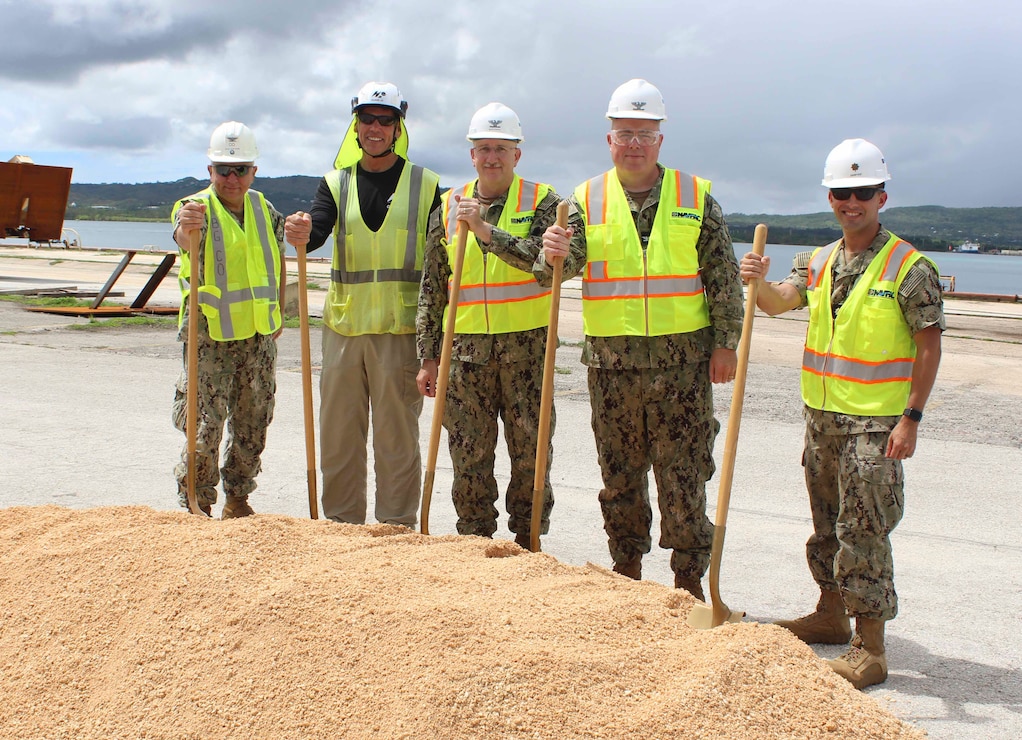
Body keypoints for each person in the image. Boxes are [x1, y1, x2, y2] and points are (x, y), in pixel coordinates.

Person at [738, 138, 944, 690]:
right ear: (829, 197)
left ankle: (870, 648)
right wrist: (756, 282)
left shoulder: (910, 267)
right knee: (826, 523)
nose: (850, 202)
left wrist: (912, 419)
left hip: (876, 425)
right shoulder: (821, 260)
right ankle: (831, 614)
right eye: (840, 193)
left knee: (865, 529)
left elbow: (928, 346)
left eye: (861, 193)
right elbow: (782, 300)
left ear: (881, 196)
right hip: (823, 420)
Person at [542, 79, 744, 598]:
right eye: (624, 133)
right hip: (612, 367)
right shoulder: (583, 200)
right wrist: (551, 251)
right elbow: (560, 270)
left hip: (683, 365)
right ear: (609, 140)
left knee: (684, 474)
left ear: (660, 138)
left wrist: (727, 345)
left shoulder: (694, 196)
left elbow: (721, 276)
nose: (634, 143)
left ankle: (687, 584)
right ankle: (627, 572)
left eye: (644, 134)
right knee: (620, 474)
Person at [415, 103, 586, 546]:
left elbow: (553, 266)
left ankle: (528, 543)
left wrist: (488, 233)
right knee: (468, 456)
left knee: (531, 456)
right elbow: (433, 286)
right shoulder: (448, 206)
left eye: (501, 149)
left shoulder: (551, 204)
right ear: (472, 154)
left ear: (517, 155)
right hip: (465, 353)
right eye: (484, 148)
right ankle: (474, 544)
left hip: (528, 353)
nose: (492, 157)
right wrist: (428, 357)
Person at [285, 82, 440, 527]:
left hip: (401, 333)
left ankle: (396, 529)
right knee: (337, 438)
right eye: (366, 119)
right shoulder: (335, 183)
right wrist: (300, 232)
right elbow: (316, 230)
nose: (375, 127)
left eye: (384, 120)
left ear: (397, 126)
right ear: (355, 126)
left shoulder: (427, 185)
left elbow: (442, 263)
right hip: (343, 332)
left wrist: (432, 348)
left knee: (397, 441)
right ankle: (341, 526)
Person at [171, 121, 286, 519]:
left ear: (254, 171)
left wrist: (278, 313)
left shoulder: (265, 210)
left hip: (257, 336)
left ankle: (239, 498)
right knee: (205, 425)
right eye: (223, 169)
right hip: (210, 337)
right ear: (210, 172)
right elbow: (184, 239)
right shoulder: (194, 209)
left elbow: (278, 261)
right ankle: (196, 500)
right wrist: (188, 229)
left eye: (240, 170)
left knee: (254, 423)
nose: (232, 178)